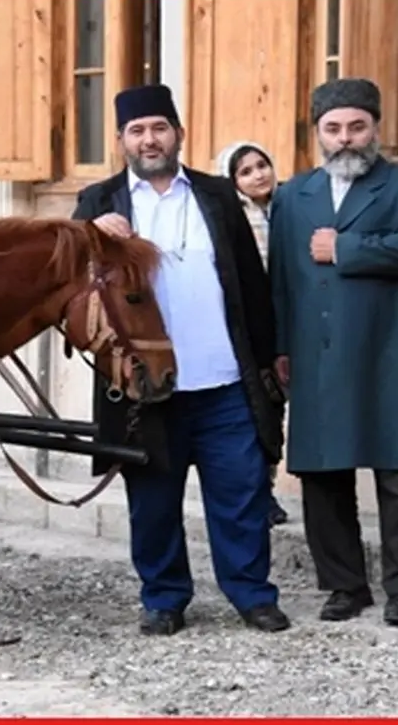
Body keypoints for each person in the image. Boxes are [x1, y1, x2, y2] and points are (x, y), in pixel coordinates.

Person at [73, 84, 291, 636]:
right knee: (153, 502)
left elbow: (250, 281)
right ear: (121, 140)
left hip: (224, 381)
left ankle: (252, 595)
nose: (150, 140)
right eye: (137, 131)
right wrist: (90, 239)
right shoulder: (99, 204)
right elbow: (69, 285)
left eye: (159, 128)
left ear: (179, 134)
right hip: (147, 391)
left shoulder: (217, 195)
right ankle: (164, 598)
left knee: (241, 494)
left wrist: (271, 356)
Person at [269, 77, 398, 627]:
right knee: (323, 474)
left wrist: (345, 247)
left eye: (356, 126)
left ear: (375, 128)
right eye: (334, 128)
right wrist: (279, 346)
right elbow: (281, 280)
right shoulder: (293, 195)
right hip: (314, 353)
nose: (346, 139)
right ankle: (345, 586)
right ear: (318, 132)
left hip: (387, 349)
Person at [214, 140, 289, 527]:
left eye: (262, 165)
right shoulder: (231, 219)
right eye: (245, 171)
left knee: (278, 410)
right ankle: (260, 494)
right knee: (259, 411)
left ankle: (268, 487)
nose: (258, 175)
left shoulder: (287, 207)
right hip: (253, 330)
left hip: (291, 321)